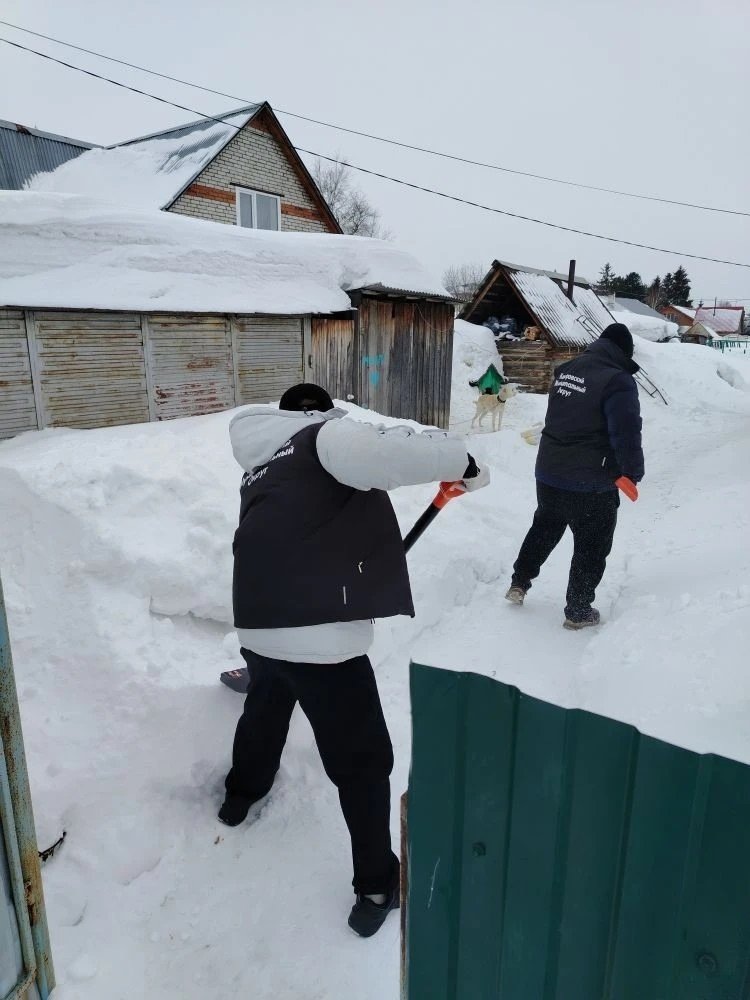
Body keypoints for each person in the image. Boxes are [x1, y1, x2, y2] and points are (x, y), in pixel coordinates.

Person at [220, 383, 489, 937]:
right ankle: (376, 885)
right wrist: (465, 461)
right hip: (318, 634)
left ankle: (240, 795)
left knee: (266, 705)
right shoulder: (325, 437)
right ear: (320, 412)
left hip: (259, 622)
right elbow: (399, 452)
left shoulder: (261, 462)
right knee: (361, 761)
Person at [505, 323, 644, 629]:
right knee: (592, 544)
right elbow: (626, 432)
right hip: (591, 480)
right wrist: (632, 471)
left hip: (549, 470)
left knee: (545, 526)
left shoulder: (569, 369)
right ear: (625, 352)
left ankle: (520, 581)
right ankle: (578, 611)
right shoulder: (617, 380)